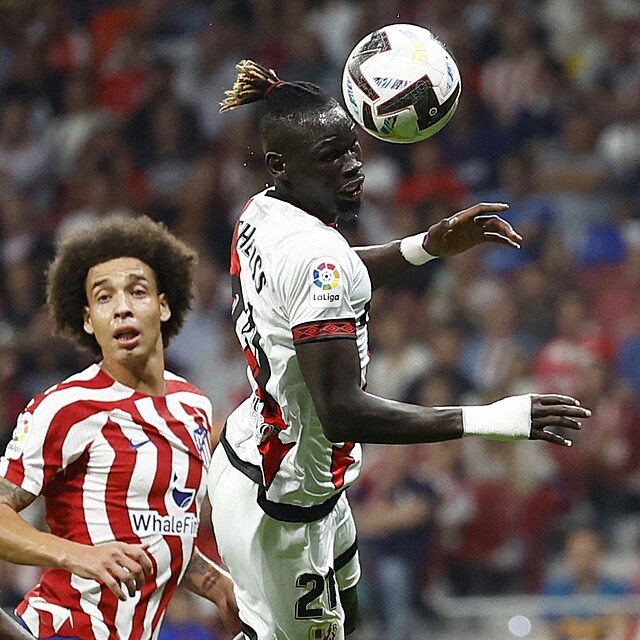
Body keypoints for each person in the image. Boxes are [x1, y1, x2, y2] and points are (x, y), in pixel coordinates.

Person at [207, 60, 592, 640]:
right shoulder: (314, 255)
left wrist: (424, 247)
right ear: (281, 165)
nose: (353, 167)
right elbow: (342, 411)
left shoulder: (262, 212)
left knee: (350, 615)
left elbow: (331, 278)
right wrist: (489, 419)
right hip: (286, 499)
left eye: (352, 149)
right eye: (331, 156)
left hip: (260, 454)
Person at [0, 215, 240, 639]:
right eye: (104, 297)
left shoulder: (194, 408)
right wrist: (79, 556)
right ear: (88, 320)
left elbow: (161, 531)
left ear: (163, 306)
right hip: (62, 629)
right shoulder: (66, 406)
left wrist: (214, 583)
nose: (122, 308)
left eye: (137, 291)